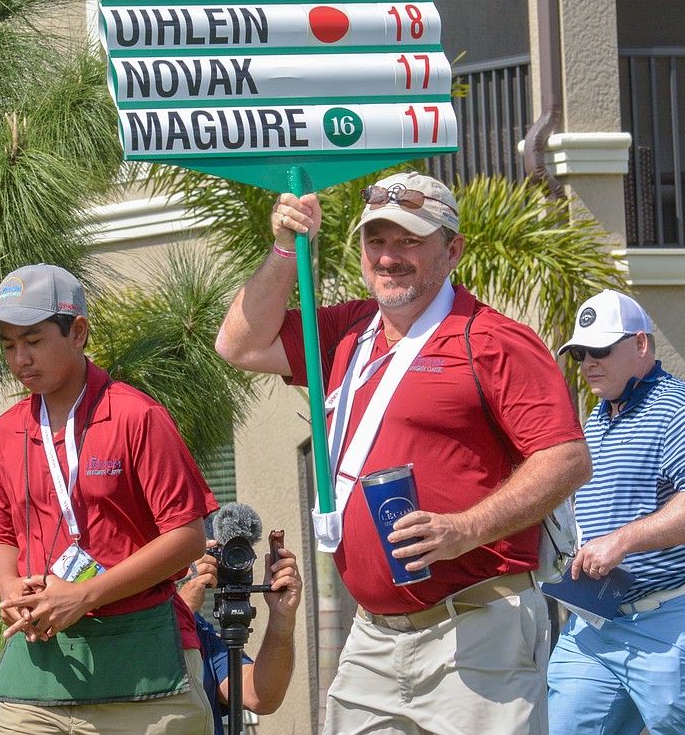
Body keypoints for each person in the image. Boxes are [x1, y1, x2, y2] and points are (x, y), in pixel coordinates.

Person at [215, 171, 592, 735]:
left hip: (476, 631)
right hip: (373, 636)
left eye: (410, 241)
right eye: (376, 241)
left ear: (453, 250)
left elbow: (565, 458)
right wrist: (282, 247)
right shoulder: (349, 330)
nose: (389, 257)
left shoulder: (491, 339)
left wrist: (465, 528)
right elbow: (238, 344)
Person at [0, 263, 218, 735]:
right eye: (8, 345)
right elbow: (1, 537)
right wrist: (8, 588)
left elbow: (187, 539)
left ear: (78, 331)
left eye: (34, 340)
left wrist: (85, 594)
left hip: (143, 666)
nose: (20, 358)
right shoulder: (4, 432)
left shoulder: (137, 416)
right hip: (40, 670)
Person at [547, 289, 685, 735]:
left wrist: (622, 541)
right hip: (597, 623)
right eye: (580, 353)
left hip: (678, 616)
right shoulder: (597, 419)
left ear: (640, 345)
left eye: (600, 350)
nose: (588, 363)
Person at [177, 536, 302, 735]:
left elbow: (260, 697)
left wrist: (282, 617)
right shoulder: (116, 619)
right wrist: (181, 609)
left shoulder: (199, 629)